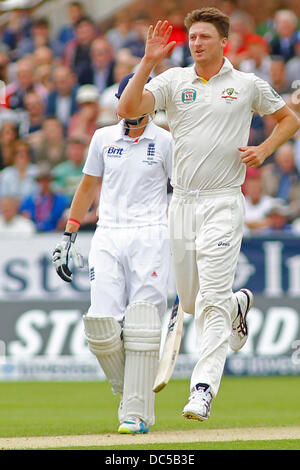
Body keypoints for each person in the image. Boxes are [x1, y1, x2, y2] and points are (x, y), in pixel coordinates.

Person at [117, 7, 300, 422]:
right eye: (192, 37)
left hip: (222, 200)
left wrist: (264, 150)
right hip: (181, 202)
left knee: (211, 297)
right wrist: (147, 61)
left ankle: (203, 389)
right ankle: (237, 307)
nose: (196, 43)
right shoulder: (174, 79)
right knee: (192, 301)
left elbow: (288, 119)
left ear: (223, 42)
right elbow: (127, 110)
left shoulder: (246, 84)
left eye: (204, 37)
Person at [52, 73, 173, 434]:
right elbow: (88, 184)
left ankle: (133, 414)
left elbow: (182, 190)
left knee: (142, 323)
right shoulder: (103, 138)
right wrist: (69, 232)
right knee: (101, 323)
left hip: (151, 233)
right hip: (107, 233)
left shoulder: (166, 141)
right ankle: (133, 395)